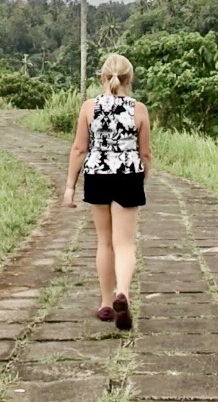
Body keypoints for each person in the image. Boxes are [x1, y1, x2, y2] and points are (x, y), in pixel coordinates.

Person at [63, 53, 152, 331]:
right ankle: (122, 292)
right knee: (125, 243)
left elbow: (79, 149)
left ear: (102, 77)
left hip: (97, 176)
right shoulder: (139, 110)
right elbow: (145, 152)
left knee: (104, 242)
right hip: (128, 176)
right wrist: (141, 178)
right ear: (130, 79)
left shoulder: (89, 107)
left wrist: (69, 187)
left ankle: (105, 303)